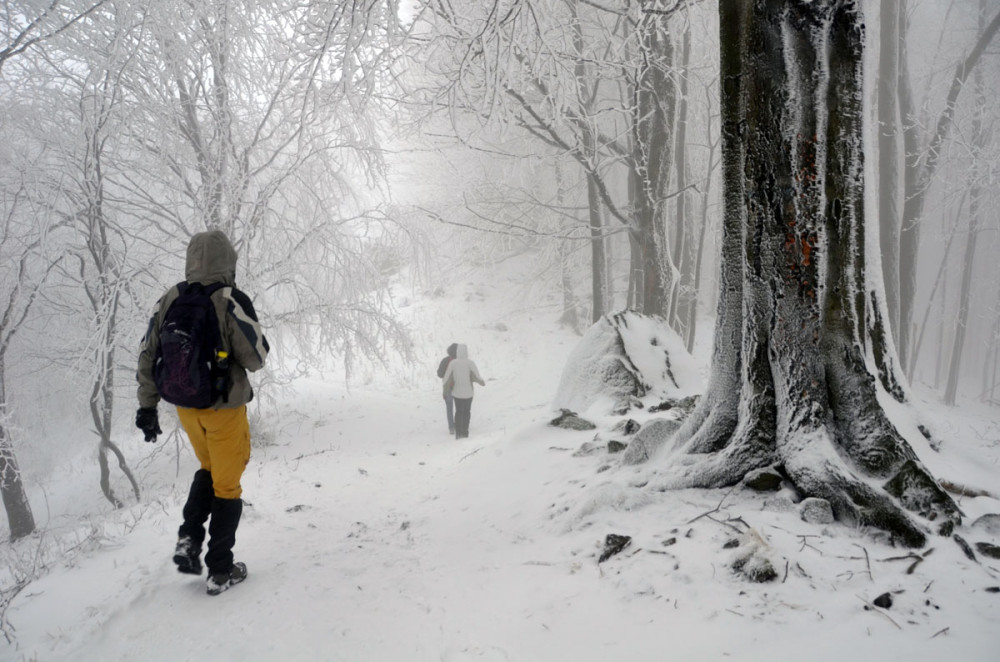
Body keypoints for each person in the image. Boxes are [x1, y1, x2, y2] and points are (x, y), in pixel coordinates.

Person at [135, 230, 269, 596]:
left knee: (209, 469)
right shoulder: (230, 299)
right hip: (223, 409)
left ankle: (188, 541)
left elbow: (148, 353)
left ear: (192, 259)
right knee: (228, 485)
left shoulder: (171, 297)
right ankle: (221, 571)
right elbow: (256, 359)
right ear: (229, 261)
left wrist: (147, 407)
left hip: (186, 407)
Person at [441, 343, 485, 439]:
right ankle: (465, 432)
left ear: (457, 352)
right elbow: (477, 376)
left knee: (458, 412)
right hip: (469, 393)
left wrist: (445, 391)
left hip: (457, 393)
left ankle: (459, 433)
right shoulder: (470, 363)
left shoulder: (453, 363)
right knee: (467, 412)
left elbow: (446, 379)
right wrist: (482, 382)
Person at [436, 343, 458, 434]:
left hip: (447, 387)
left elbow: (439, 374)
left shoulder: (445, 360)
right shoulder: (462, 361)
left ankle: (451, 428)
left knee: (449, 408)